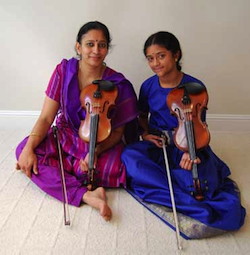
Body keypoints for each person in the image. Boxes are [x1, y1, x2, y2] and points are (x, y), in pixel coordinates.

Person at [121, 31, 246, 232]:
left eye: (161, 56)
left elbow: (199, 127)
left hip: (190, 142)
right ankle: (176, 187)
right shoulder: (147, 86)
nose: (155, 63)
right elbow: (142, 116)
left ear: (176, 55)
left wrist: (190, 151)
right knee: (129, 155)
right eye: (150, 58)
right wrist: (144, 134)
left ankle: (171, 186)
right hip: (159, 143)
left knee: (202, 185)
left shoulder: (196, 87)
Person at [15, 21, 138, 221]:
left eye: (102, 45)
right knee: (23, 150)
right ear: (78, 47)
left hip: (100, 144)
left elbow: (117, 133)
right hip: (66, 137)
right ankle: (88, 195)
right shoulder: (63, 72)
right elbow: (46, 118)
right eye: (90, 44)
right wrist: (30, 148)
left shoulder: (118, 83)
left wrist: (94, 153)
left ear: (107, 48)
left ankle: (66, 171)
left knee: (120, 170)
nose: (96, 50)